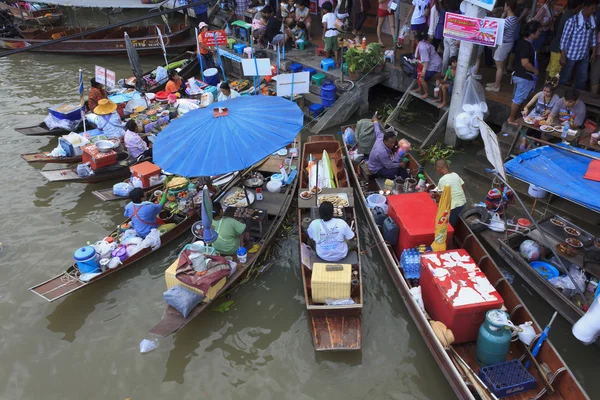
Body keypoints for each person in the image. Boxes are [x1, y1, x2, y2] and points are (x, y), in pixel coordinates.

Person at [507, 20, 541, 126]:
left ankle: (517, 116)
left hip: (517, 74)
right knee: (518, 99)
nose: (540, 33)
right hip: (524, 77)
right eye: (538, 31)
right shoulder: (527, 45)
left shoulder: (520, 41)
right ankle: (511, 119)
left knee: (518, 98)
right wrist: (536, 71)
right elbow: (525, 63)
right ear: (532, 33)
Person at [559, 0, 598, 90]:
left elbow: (593, 36)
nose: (594, 10)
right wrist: (563, 56)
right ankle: (560, 95)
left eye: (595, 8)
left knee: (582, 78)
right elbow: (563, 40)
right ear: (585, 7)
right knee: (565, 77)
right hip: (570, 55)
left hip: (584, 55)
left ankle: (577, 97)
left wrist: (593, 52)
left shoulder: (593, 20)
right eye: (592, 8)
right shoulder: (572, 21)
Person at [486, 0, 519, 92]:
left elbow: (498, 27)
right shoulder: (513, 18)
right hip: (506, 43)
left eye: (505, 5)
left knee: (499, 65)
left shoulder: (510, 20)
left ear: (508, 7)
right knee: (500, 64)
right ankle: (496, 82)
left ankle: (497, 85)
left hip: (504, 44)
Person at [367, 113, 408, 179]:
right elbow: (388, 166)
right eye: (391, 143)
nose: (393, 144)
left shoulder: (381, 136)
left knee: (398, 164)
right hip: (376, 168)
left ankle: (405, 177)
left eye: (394, 142)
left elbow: (377, 130)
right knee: (397, 169)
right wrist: (400, 164)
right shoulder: (382, 151)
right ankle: (406, 178)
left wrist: (375, 121)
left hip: (381, 162)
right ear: (385, 141)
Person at [547, 0, 581, 80]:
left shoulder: (563, 14)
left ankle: (546, 86)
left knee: (551, 69)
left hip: (555, 46)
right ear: (577, 6)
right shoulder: (571, 17)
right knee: (554, 72)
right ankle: (549, 88)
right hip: (559, 49)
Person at [435, 159, 466, 226]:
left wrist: (437, 204)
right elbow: (463, 186)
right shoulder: (455, 174)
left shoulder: (442, 180)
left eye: (437, 169)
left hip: (454, 206)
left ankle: (450, 234)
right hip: (463, 202)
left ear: (439, 168)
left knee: (449, 224)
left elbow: (439, 195)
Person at [413, 30, 442, 100]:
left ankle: (426, 93)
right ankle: (420, 88)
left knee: (421, 78)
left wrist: (423, 72)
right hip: (430, 62)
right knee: (416, 72)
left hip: (434, 65)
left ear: (416, 39)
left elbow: (426, 61)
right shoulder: (422, 43)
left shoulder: (423, 47)